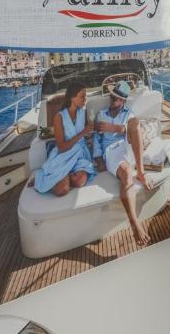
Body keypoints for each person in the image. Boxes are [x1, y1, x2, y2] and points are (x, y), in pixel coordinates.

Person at [93, 81, 151, 246]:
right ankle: (135, 223)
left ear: (123, 101)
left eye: (116, 99)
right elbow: (97, 139)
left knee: (135, 123)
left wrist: (116, 129)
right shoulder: (101, 115)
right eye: (112, 97)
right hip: (112, 150)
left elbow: (132, 130)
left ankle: (141, 172)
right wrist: (98, 159)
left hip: (128, 145)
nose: (112, 100)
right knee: (126, 172)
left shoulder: (128, 114)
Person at [31, 82, 97, 196]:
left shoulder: (82, 112)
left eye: (85, 96)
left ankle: (64, 174)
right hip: (64, 154)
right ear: (72, 97)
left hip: (80, 153)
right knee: (62, 190)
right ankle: (46, 177)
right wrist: (83, 133)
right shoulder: (59, 117)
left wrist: (89, 131)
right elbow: (61, 148)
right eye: (82, 96)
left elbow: (84, 133)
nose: (85, 99)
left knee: (80, 181)